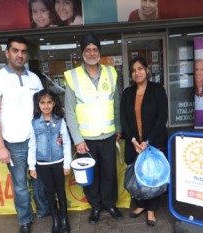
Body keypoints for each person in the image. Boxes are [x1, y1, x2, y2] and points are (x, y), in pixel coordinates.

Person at [0, 36, 43, 233]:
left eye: (23, 51)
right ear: (7, 53)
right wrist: (0, 146)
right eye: (16, 50)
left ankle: (43, 211)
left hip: (36, 139)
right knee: (20, 185)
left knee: (39, 179)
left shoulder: (34, 78)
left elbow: (43, 109)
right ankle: (25, 220)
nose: (20, 55)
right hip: (14, 143)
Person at [64, 32, 123, 225]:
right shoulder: (73, 76)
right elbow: (70, 112)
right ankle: (95, 206)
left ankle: (110, 204)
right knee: (91, 174)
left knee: (109, 172)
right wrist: (77, 140)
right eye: (88, 50)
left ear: (99, 52)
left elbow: (116, 104)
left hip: (108, 135)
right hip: (86, 139)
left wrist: (119, 128)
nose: (91, 53)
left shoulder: (110, 73)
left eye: (95, 49)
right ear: (82, 53)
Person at [120, 56, 168, 227]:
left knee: (152, 175)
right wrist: (133, 140)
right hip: (134, 144)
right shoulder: (127, 93)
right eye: (133, 70)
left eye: (140, 68)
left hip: (154, 142)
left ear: (147, 70)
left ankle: (151, 210)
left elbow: (162, 117)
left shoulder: (157, 90)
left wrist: (148, 141)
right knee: (136, 176)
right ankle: (140, 205)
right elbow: (123, 119)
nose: (137, 72)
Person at [28, 89, 72, 233]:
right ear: (38, 104)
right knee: (49, 191)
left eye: (49, 102)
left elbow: (66, 142)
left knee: (60, 190)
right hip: (42, 164)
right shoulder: (34, 123)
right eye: (42, 103)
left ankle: (64, 218)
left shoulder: (60, 121)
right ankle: (56, 219)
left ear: (54, 103)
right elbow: (32, 144)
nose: (46, 106)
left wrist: (67, 164)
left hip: (58, 162)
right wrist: (32, 166)